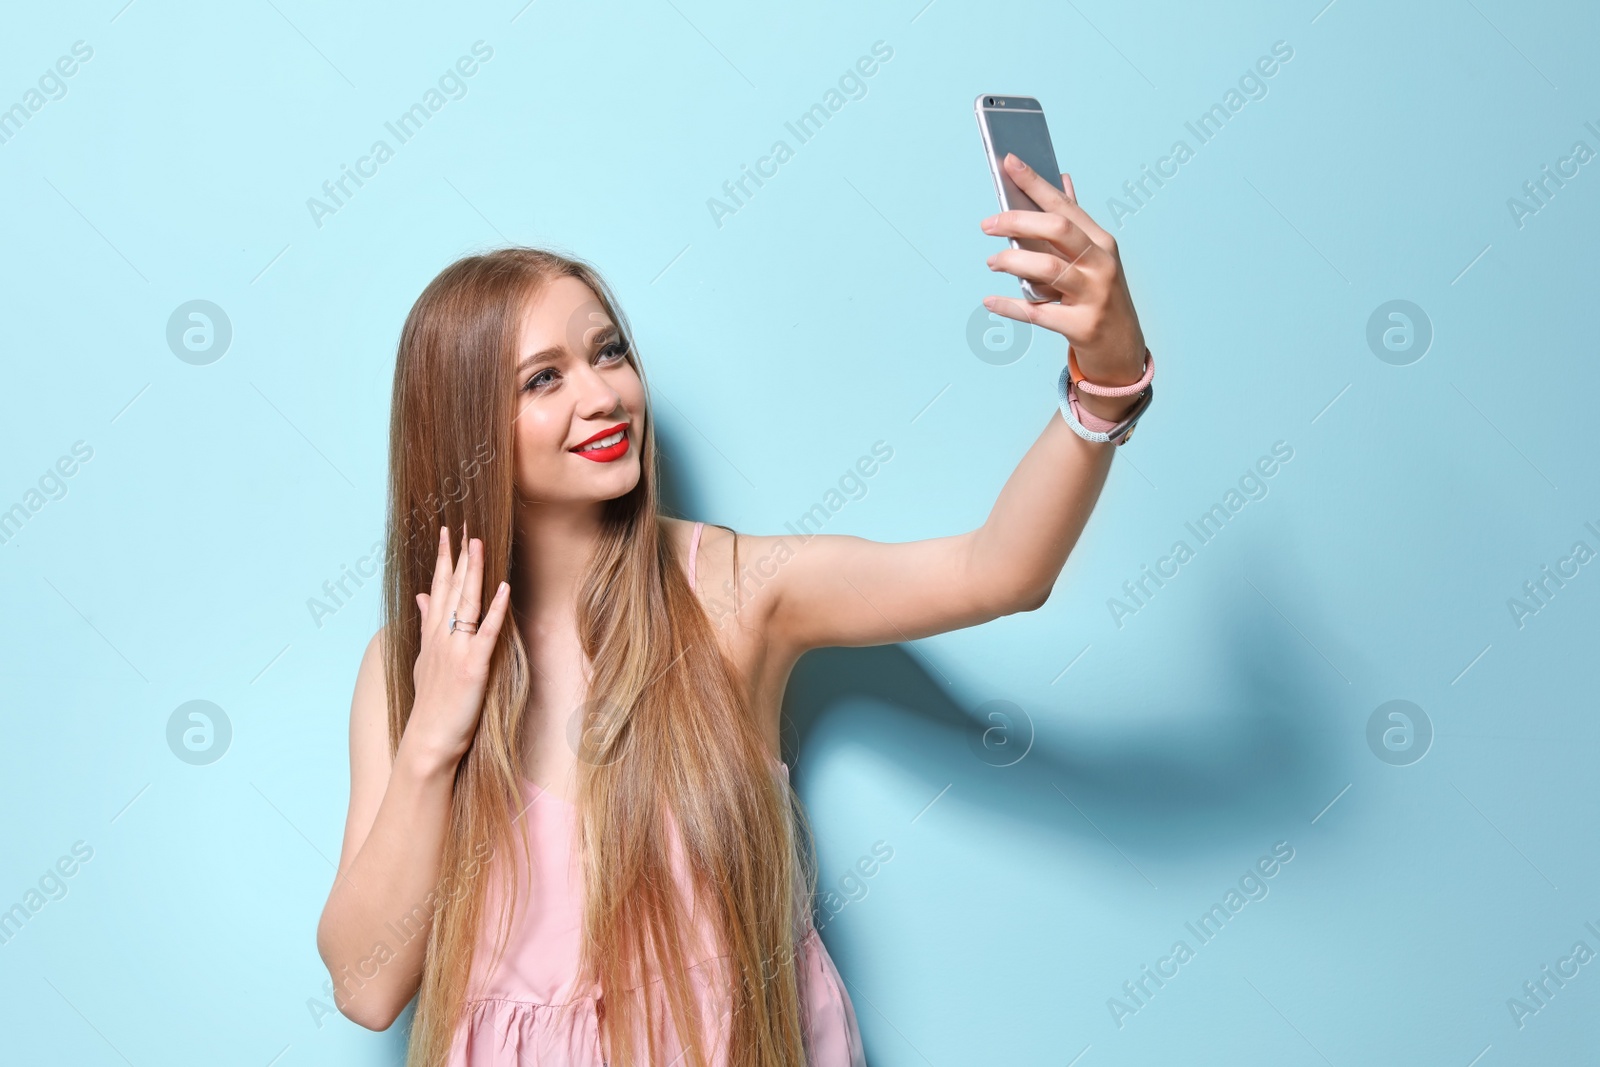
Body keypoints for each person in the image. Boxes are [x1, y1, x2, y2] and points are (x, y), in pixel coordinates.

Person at [315, 151, 1153, 1066]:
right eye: (543, 378)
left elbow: (998, 570)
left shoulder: (735, 591)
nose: (603, 395)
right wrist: (435, 736)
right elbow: (365, 984)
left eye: (608, 352)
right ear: (465, 425)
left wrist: (1103, 380)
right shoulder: (409, 660)